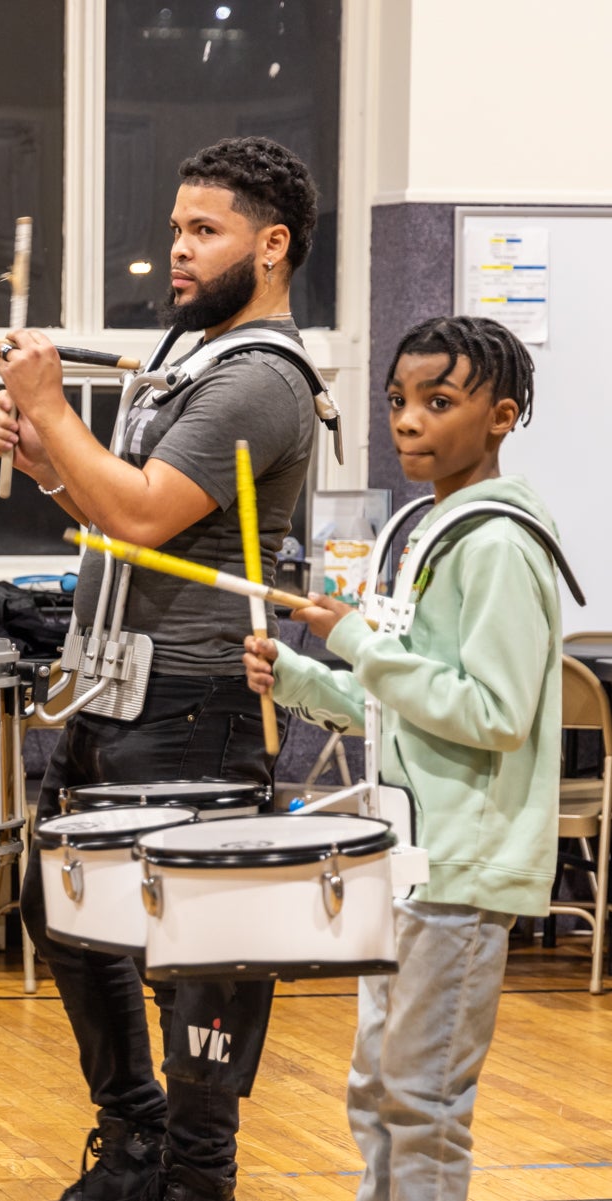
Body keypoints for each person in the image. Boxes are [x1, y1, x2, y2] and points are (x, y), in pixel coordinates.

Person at [0, 136, 320, 1201]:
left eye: (204, 231)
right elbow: (120, 519)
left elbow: (136, 507)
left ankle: (194, 1170)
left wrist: (46, 408)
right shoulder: (190, 364)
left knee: (202, 960)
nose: (177, 251)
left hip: (196, 707)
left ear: (271, 247)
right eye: (176, 228)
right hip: (111, 691)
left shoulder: (263, 380)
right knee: (70, 916)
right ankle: (134, 1140)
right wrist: (50, 466)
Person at [244, 315, 561, 1201]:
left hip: (465, 868)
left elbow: (494, 715)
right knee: (376, 1089)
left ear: (501, 416)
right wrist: (302, 677)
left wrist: (356, 640)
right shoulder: (429, 529)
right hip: (409, 861)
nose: (408, 420)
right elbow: (403, 708)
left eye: (438, 401)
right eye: (396, 401)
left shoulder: (496, 542)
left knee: (421, 1098)